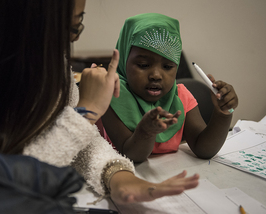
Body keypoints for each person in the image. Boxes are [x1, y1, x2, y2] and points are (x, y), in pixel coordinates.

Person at [0, 0, 199, 206]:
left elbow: (80, 144)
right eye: (71, 27)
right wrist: (85, 112)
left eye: (77, 25)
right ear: (19, 25)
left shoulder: (52, 71)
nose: (72, 41)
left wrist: (117, 175)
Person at [101, 13, 239, 163]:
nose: (156, 75)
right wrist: (146, 132)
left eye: (167, 66)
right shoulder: (112, 95)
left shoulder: (181, 97)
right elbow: (131, 156)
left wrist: (223, 113)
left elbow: (204, 149)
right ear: (124, 60)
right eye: (143, 65)